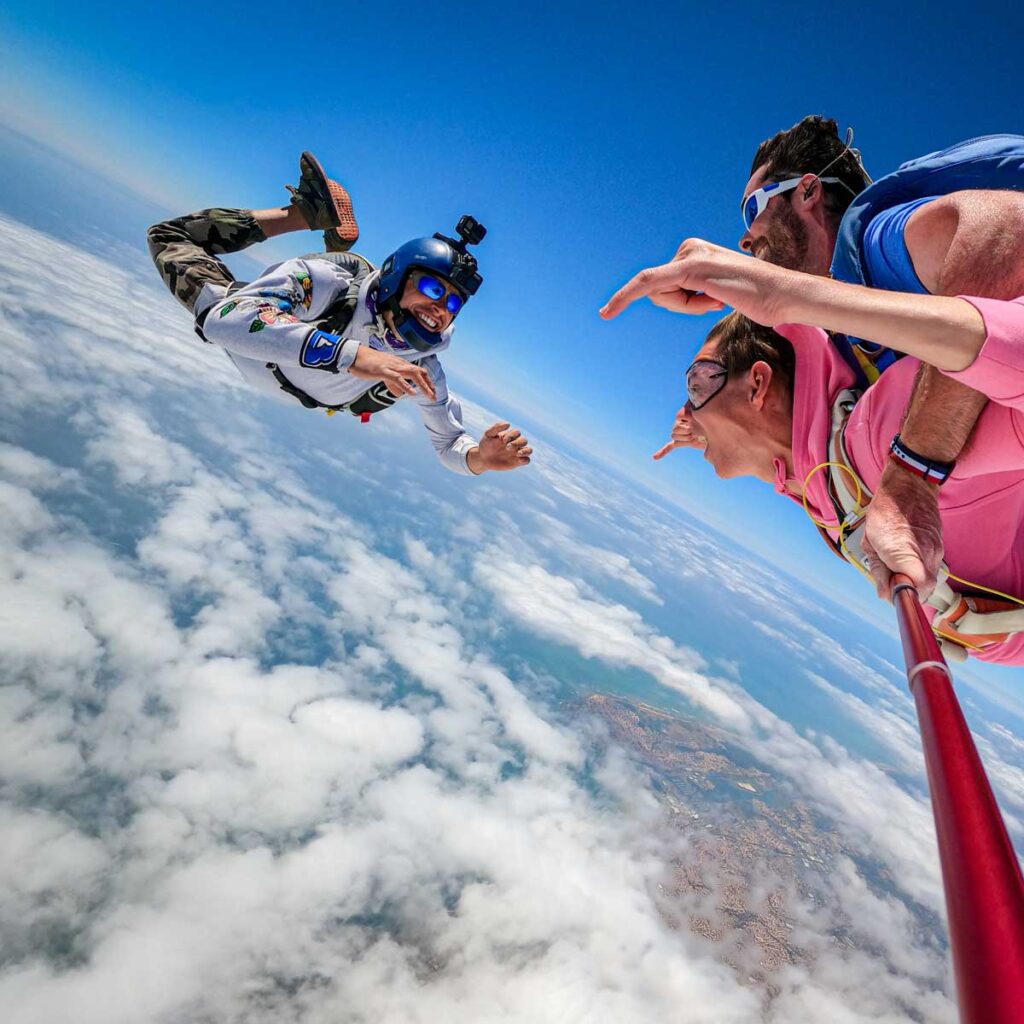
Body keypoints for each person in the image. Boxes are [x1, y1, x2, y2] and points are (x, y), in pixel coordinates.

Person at [645, 117, 1024, 599]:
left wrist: (912, 473)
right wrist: (707, 422)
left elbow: (1009, 230)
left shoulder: (873, 246)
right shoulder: (842, 342)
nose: (744, 239)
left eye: (751, 209)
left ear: (807, 192)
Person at [600, 240, 1024, 665]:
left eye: (697, 384)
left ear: (757, 385)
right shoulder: (820, 475)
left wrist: (786, 296)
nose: (685, 411)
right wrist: (709, 429)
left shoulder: (884, 434)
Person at [148, 152, 532, 476]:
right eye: (432, 288)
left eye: (453, 304)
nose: (440, 308)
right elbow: (224, 320)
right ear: (397, 278)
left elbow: (449, 442)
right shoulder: (327, 284)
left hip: (283, 378)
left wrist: (480, 459)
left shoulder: (423, 369)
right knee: (170, 237)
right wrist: (353, 356)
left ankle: (323, 224)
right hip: (255, 345)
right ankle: (304, 214)